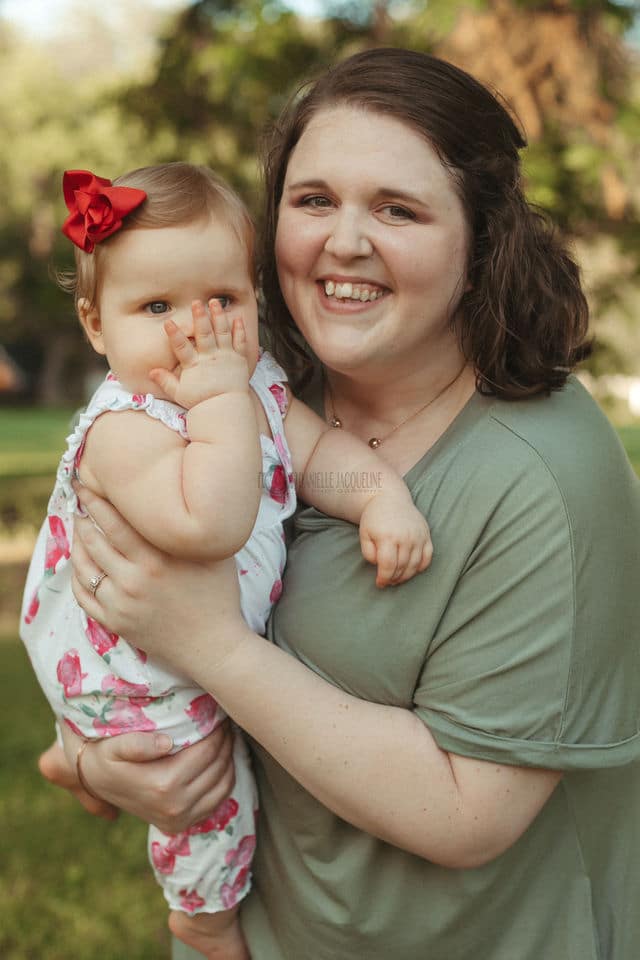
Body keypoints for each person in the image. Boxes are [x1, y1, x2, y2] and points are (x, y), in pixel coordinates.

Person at [39, 49, 640, 960]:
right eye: (314, 200)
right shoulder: (254, 395)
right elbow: (97, 703)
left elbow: (469, 815)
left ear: (481, 241)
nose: (343, 241)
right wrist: (99, 766)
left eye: (397, 209)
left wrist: (207, 640)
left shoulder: (543, 472)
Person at [21, 160, 431, 960]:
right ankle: (202, 916)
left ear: (252, 301)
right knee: (211, 785)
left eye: (222, 300)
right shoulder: (127, 427)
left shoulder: (253, 385)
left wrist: (381, 495)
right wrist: (217, 404)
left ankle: (74, 765)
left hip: (189, 634)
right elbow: (207, 524)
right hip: (137, 669)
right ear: (97, 325)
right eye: (156, 306)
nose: (194, 328)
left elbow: (319, 459)